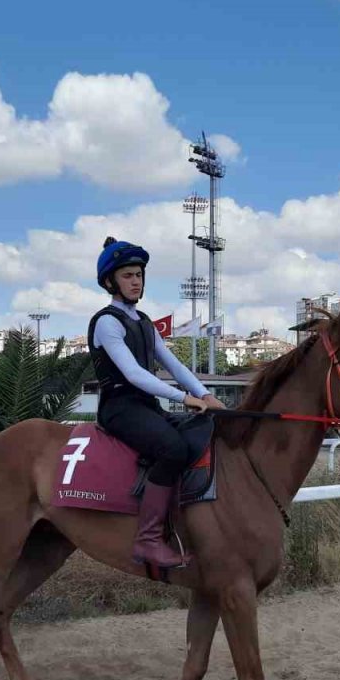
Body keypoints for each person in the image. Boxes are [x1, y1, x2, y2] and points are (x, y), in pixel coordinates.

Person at [89, 236, 224, 568]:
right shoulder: (107, 322)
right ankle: (148, 540)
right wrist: (184, 397)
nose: (135, 281)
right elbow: (134, 374)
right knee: (172, 449)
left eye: (138, 275)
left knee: (201, 430)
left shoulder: (145, 322)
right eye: (127, 276)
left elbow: (175, 366)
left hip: (146, 407)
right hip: (119, 409)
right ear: (110, 282)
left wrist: (205, 395)